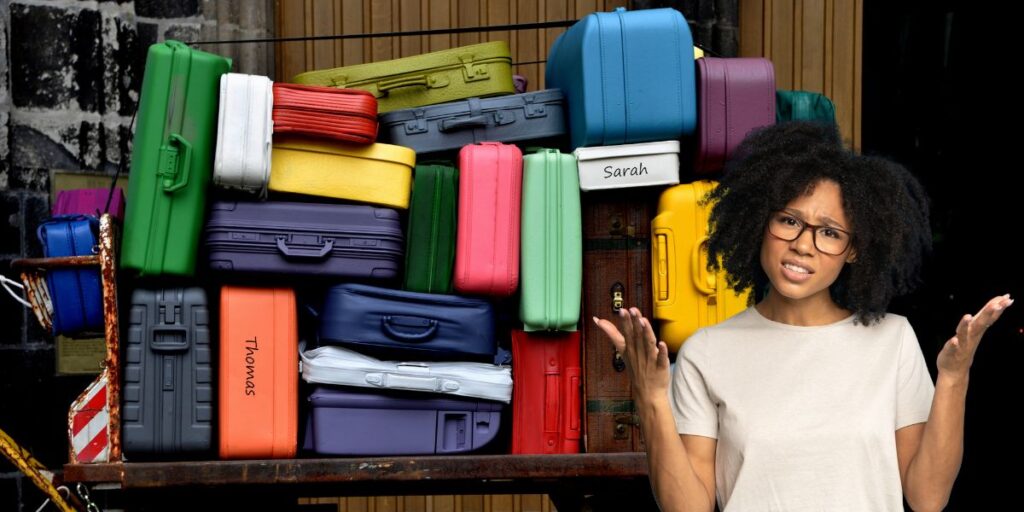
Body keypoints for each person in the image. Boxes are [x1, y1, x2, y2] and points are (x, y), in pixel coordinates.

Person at [592, 121, 1013, 512]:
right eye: (789, 221)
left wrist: (955, 379)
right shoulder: (707, 352)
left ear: (854, 250)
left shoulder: (894, 341)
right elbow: (688, 507)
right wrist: (650, 398)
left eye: (829, 232)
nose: (803, 245)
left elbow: (928, 497)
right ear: (761, 222)